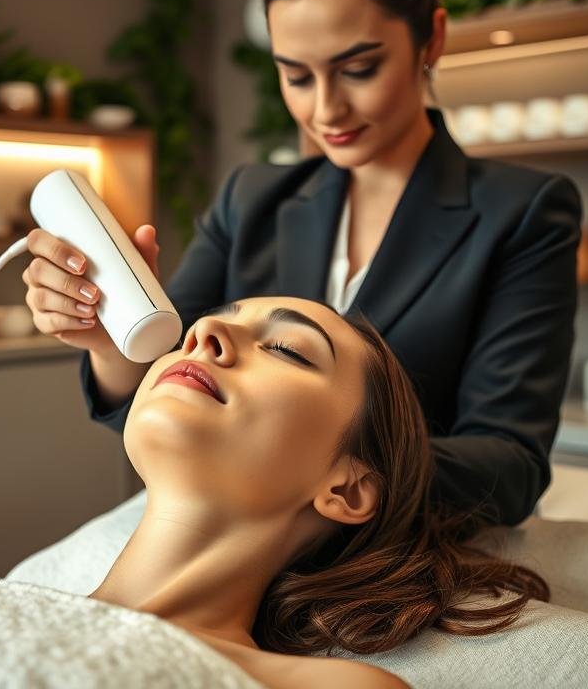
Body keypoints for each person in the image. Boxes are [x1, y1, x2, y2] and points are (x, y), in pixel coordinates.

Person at [22, 0, 582, 530]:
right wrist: (112, 343)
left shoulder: (522, 212)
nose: (325, 110)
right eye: (295, 75)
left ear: (432, 39)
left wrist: (310, 462)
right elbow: (162, 383)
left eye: (359, 68)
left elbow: (510, 466)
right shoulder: (252, 199)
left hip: (399, 551)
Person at [91, 295, 548, 688]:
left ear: (347, 490)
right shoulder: (17, 603)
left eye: (287, 349)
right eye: (197, 325)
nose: (203, 331)